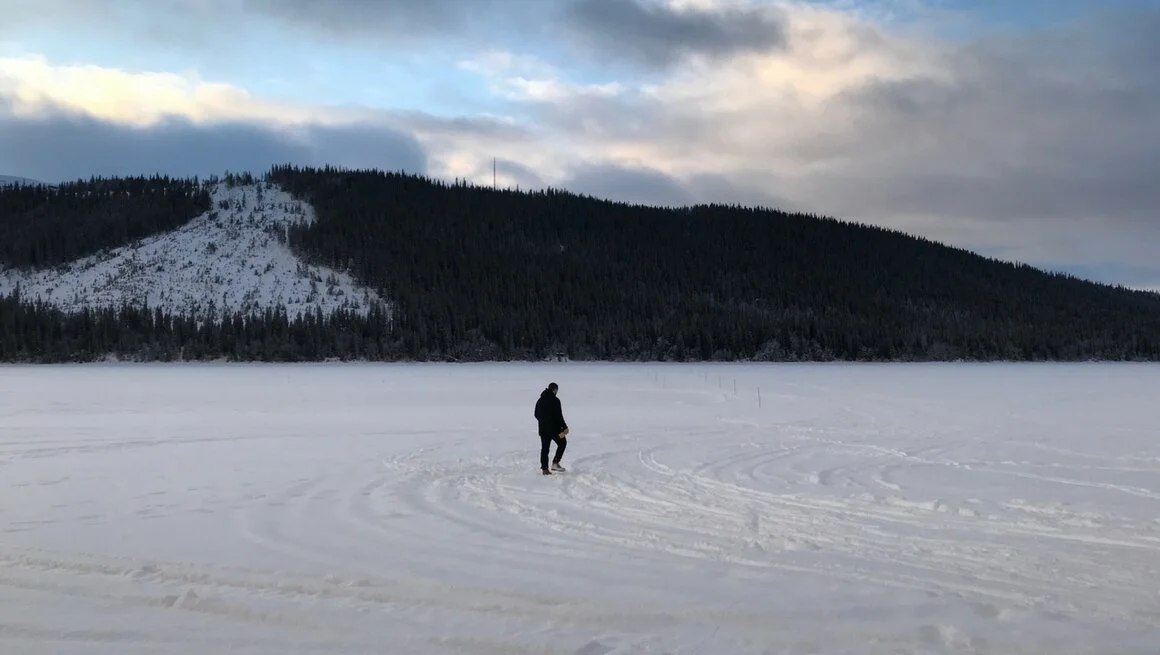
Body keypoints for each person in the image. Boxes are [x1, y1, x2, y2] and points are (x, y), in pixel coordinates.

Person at [534, 382, 568, 474]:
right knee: (563, 442)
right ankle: (555, 463)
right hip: (555, 430)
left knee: (545, 449)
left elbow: (536, 414)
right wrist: (564, 427)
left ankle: (545, 469)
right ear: (554, 390)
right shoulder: (556, 401)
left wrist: (543, 422)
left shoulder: (540, 400)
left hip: (543, 430)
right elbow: (559, 416)